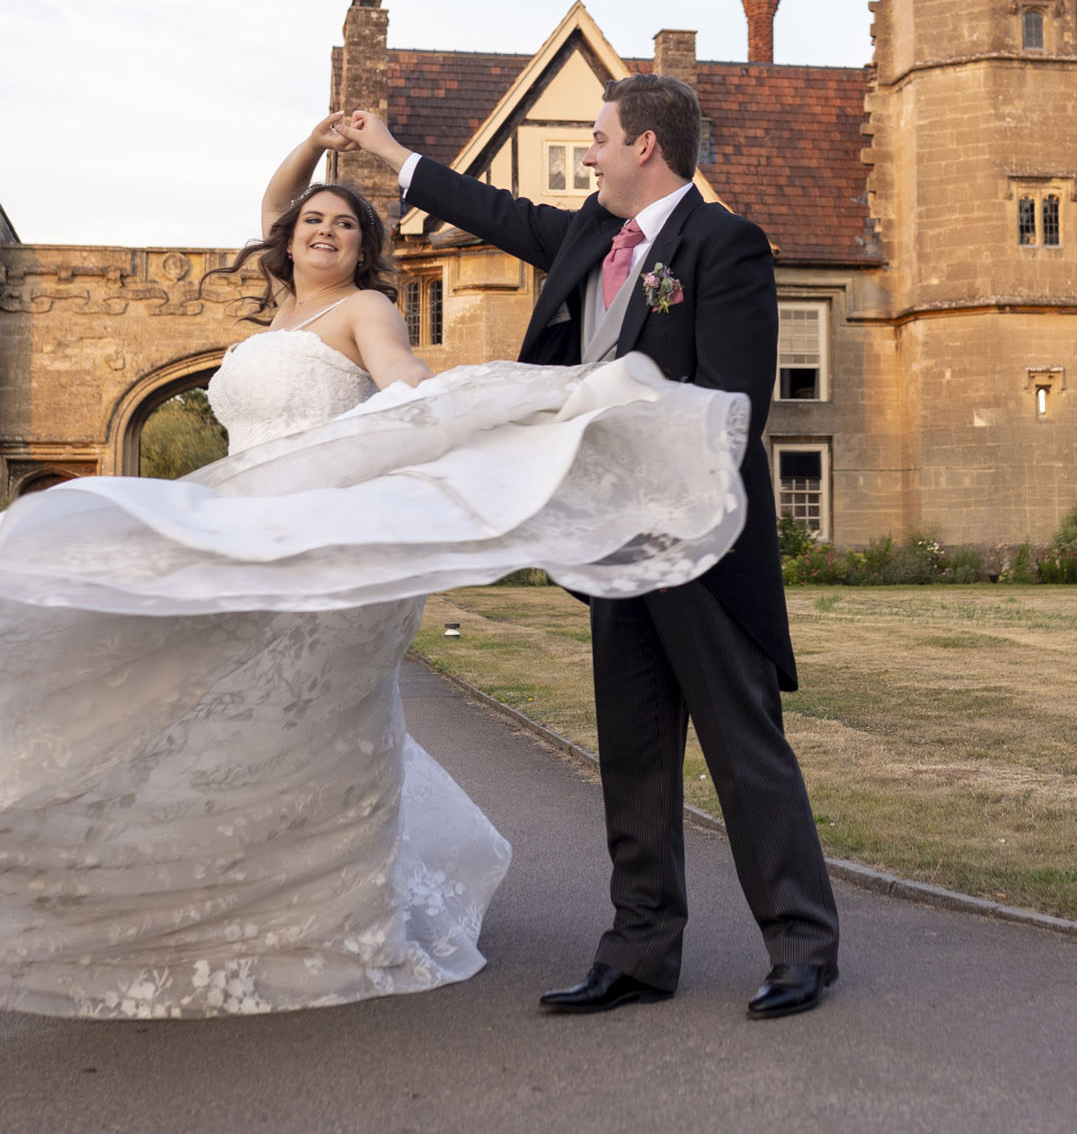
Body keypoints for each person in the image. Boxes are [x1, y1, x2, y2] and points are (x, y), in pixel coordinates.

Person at [0, 113, 753, 1018]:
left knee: (314, 720)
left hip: (319, 539)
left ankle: (335, 919)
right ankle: (135, 862)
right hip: (238, 519)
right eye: (314, 219)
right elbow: (281, 194)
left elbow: (405, 379)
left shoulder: (368, 308)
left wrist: (458, 409)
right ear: (289, 241)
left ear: (366, 249)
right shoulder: (274, 310)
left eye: (346, 221)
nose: (327, 225)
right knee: (171, 678)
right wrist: (325, 142)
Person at [345, 73, 841, 1020]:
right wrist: (393, 153)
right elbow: (496, 211)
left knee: (745, 749)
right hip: (608, 543)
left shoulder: (724, 246)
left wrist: (603, 402)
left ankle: (802, 945)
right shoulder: (586, 234)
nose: (590, 152)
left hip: (697, 545)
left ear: (646, 146)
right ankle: (640, 948)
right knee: (635, 748)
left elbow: (735, 404)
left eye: (600, 137)